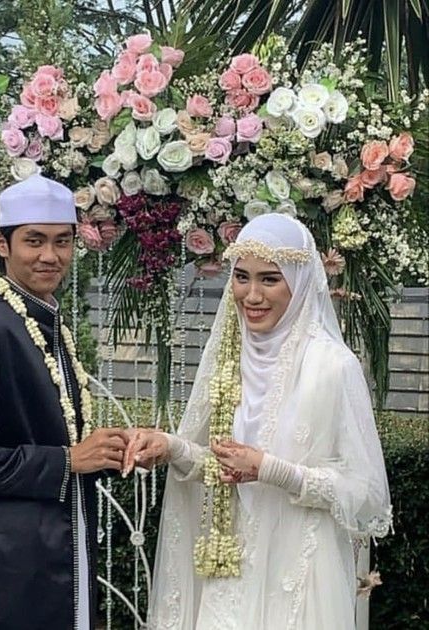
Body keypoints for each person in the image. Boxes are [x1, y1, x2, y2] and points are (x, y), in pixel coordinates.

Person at [123, 213, 391, 629]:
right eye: (241, 277)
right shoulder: (228, 356)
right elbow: (219, 462)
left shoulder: (332, 366)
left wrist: (271, 469)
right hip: (227, 568)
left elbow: (367, 493)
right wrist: (171, 447)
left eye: (270, 279)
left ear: (300, 282)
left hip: (296, 575)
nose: (251, 295)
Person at [0, 173, 129, 629]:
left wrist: (107, 452)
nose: (50, 256)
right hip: (2, 574)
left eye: (62, 242)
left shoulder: (44, 323)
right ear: (2, 245)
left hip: (53, 551)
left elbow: (58, 440)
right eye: (34, 241)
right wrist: (69, 461)